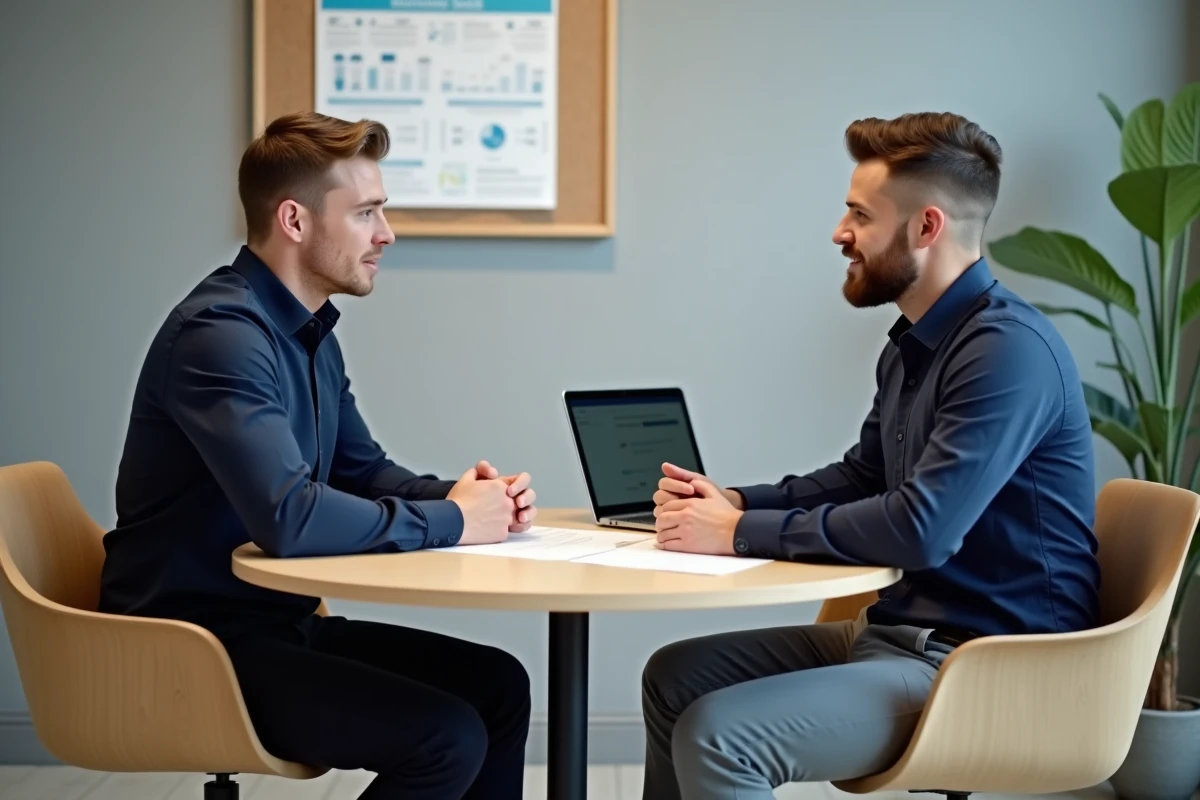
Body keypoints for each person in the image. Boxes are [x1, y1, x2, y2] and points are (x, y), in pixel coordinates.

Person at [639, 111, 1102, 800]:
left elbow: (923, 529)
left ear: (927, 227)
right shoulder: (913, 344)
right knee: (676, 676)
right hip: (903, 634)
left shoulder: (1006, 352)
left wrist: (736, 536)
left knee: (720, 734)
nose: (839, 232)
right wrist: (738, 501)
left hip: (989, 663)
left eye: (860, 214)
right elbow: (863, 477)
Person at [99, 111, 535, 800]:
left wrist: (467, 498)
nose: (386, 234)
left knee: (498, 686)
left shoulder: (308, 334)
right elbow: (290, 520)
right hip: (195, 647)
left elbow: (364, 472)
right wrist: (454, 522)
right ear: (296, 221)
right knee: (445, 736)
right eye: (366, 213)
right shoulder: (221, 335)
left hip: (275, 624)